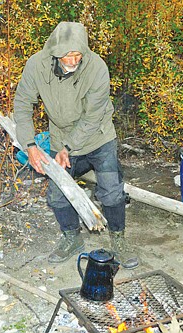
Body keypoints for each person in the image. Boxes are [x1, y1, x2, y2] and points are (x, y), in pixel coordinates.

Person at [13, 22, 138, 269]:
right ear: (55, 52)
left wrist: (68, 148)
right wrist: (30, 145)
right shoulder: (36, 66)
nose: (73, 60)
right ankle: (72, 239)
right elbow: (23, 104)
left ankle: (119, 240)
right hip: (59, 138)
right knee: (58, 195)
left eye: (78, 54)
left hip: (98, 137)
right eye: (67, 55)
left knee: (112, 191)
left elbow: (92, 117)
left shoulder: (97, 68)